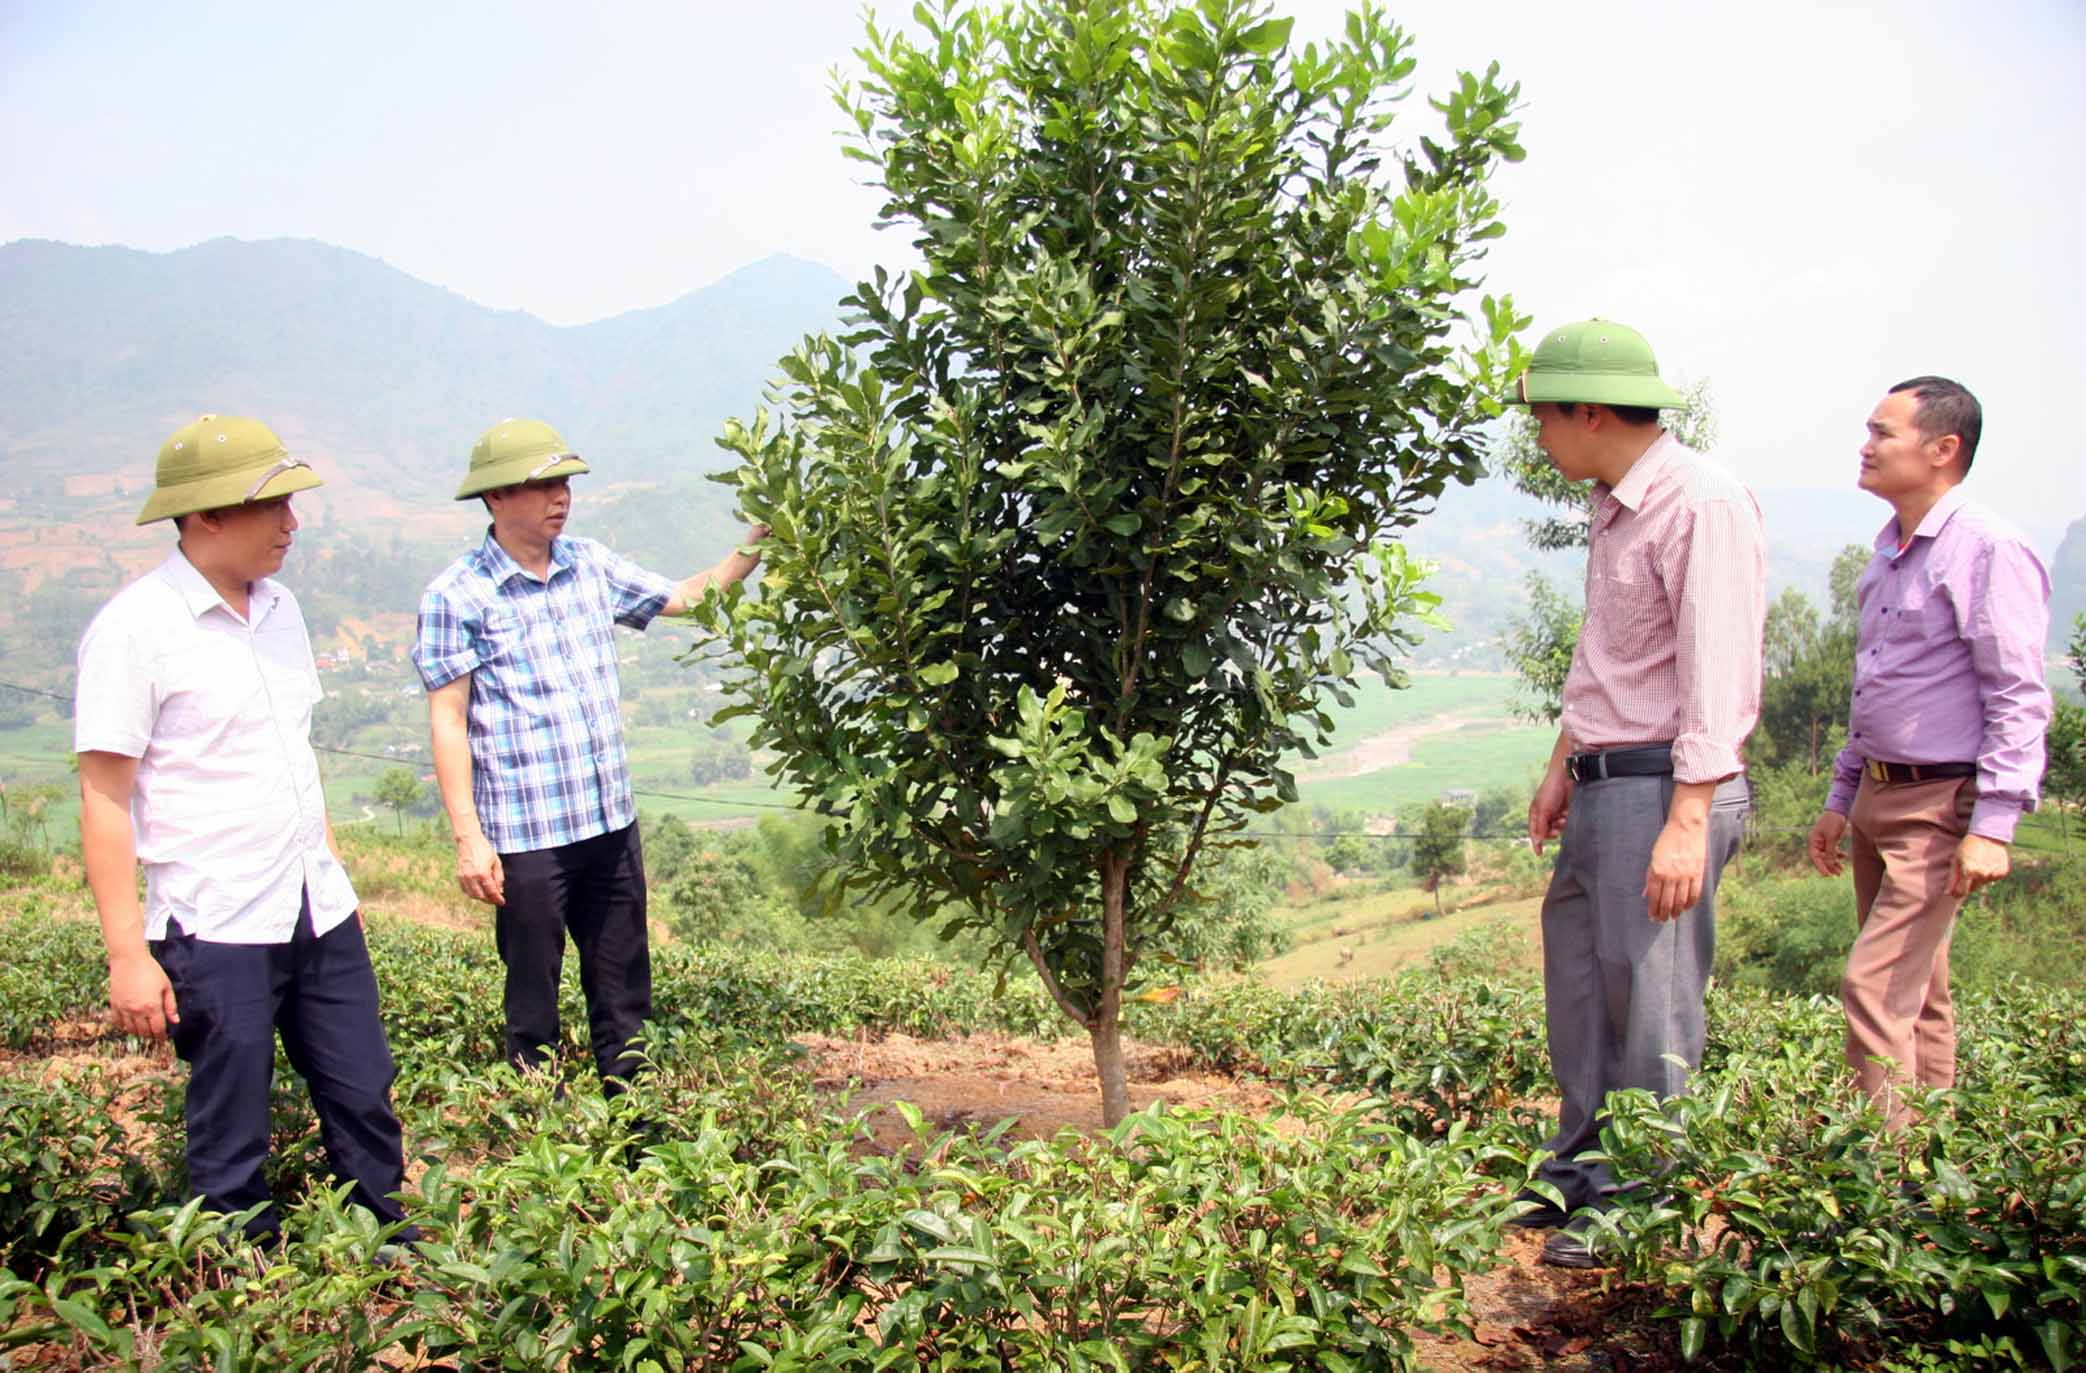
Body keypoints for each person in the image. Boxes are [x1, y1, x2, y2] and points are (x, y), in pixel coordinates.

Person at [75, 414, 413, 1245]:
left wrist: (332, 874)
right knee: (232, 1117)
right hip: (215, 914)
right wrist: (128, 954)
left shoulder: (283, 609)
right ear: (205, 517)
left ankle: (386, 1250)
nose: (292, 525)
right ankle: (241, 1280)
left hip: (313, 902)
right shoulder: (134, 629)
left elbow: (295, 754)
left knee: (362, 1087)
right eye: (273, 508)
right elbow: (104, 798)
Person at [1511, 320, 1766, 1268]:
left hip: (1667, 787)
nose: (1539, 438)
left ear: (1588, 410)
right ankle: (1573, 1175)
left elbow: (1719, 670)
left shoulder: (1702, 503)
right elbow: (1609, 652)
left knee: (1650, 1002)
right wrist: (1559, 763)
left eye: (1544, 419)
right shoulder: (1616, 505)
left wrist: (1688, 819)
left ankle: (1639, 1202)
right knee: (1581, 990)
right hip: (1605, 779)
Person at [414, 418, 765, 1087]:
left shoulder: (590, 566)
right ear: (493, 498)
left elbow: (691, 596)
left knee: (625, 994)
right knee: (533, 1002)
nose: (559, 495)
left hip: (607, 825)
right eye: (540, 483)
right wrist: (469, 838)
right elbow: (448, 720)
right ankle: (537, 1142)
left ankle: (635, 1138)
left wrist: (757, 540)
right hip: (527, 838)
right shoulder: (457, 594)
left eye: (564, 481)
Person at [1806, 378, 2050, 1127]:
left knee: (1874, 989)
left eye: (1883, 433)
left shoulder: (1987, 550)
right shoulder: (1889, 556)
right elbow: (1877, 687)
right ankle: (1938, 1173)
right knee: (1920, 996)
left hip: (1939, 807)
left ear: (1944, 449)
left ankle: (1884, 1193)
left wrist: (1994, 825)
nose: (1865, 446)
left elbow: (2016, 692)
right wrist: (1843, 797)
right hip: (1881, 798)